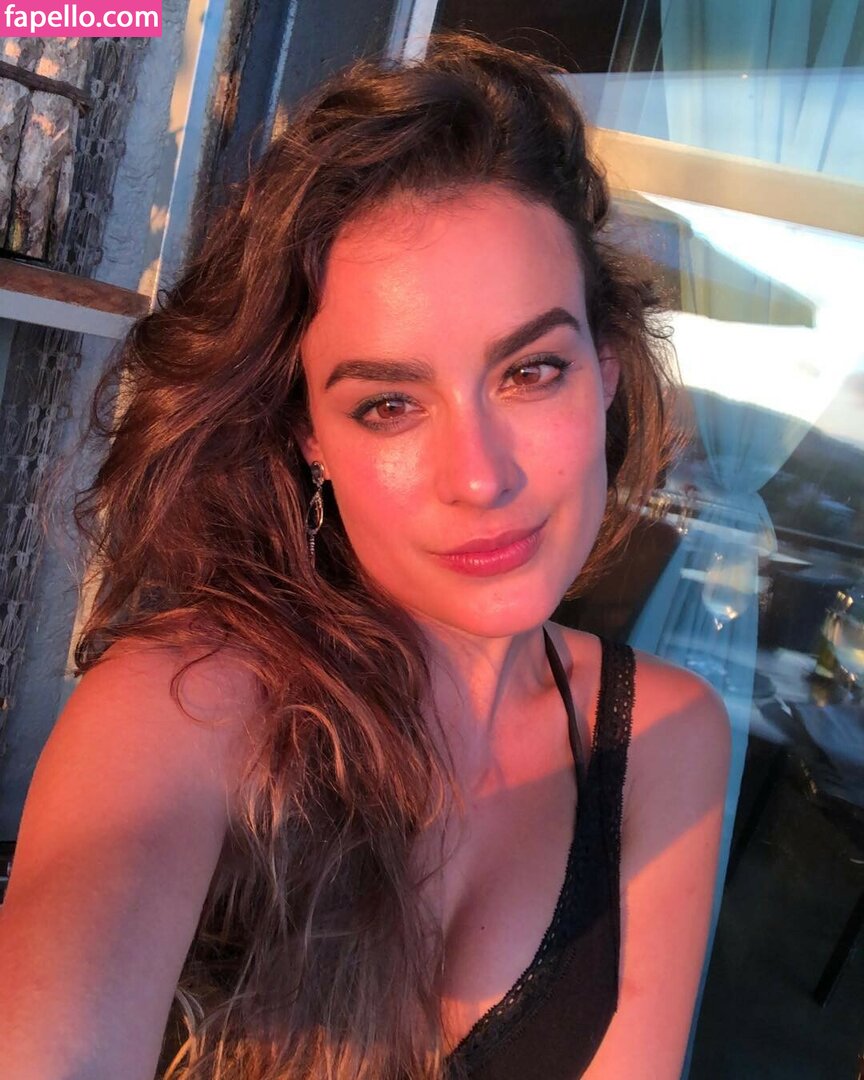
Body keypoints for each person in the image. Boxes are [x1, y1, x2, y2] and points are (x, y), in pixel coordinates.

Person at [0, 30, 731, 1080]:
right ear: (310, 437)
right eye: (389, 403)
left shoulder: (663, 736)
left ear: (605, 374)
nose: (479, 477)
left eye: (531, 371)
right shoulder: (182, 706)